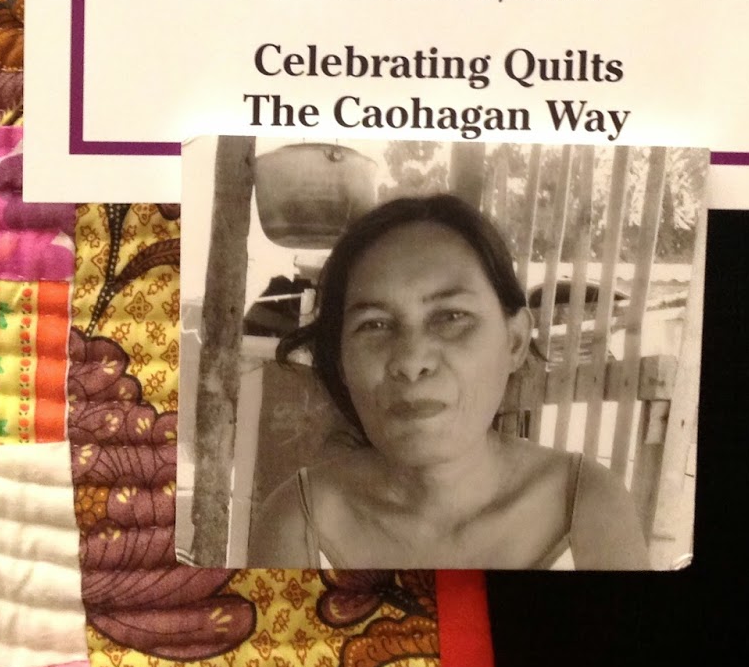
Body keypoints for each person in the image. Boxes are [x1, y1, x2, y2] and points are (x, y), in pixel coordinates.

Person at [248, 195, 650, 570]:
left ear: (514, 341)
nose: (411, 362)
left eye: (451, 317)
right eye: (374, 324)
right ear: (340, 360)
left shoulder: (586, 508)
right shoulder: (298, 522)